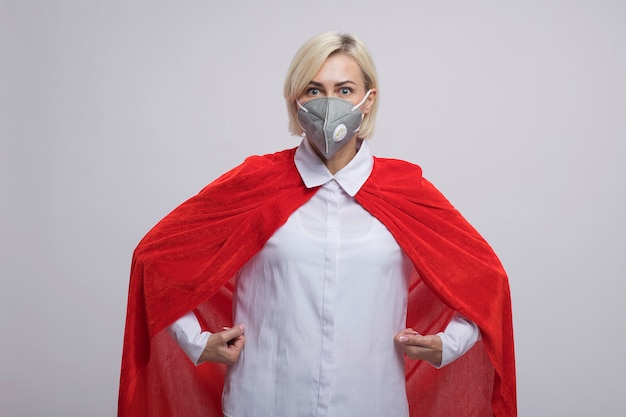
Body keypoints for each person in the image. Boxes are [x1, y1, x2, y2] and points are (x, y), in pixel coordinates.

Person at [118, 31, 516, 417]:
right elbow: (156, 261)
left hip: (371, 402)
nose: (329, 103)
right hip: (264, 401)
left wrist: (450, 344)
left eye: (344, 90)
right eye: (314, 90)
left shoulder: (404, 191)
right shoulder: (255, 184)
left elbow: (486, 281)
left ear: (368, 99)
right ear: (295, 101)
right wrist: (195, 341)